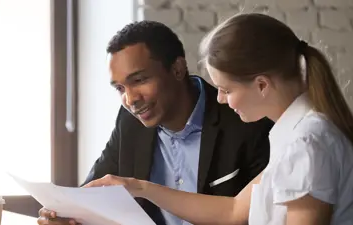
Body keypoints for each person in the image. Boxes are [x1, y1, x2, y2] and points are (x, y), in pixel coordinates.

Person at [86, 13, 353, 225]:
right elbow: (233, 210)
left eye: (226, 90)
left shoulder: (306, 144)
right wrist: (139, 187)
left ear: (261, 85)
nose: (220, 99)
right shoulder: (296, 136)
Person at [37, 21, 273, 225]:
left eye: (139, 80)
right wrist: (65, 215)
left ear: (178, 69)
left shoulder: (246, 119)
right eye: (120, 88)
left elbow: (260, 216)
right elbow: (92, 193)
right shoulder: (129, 122)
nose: (130, 100)